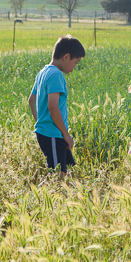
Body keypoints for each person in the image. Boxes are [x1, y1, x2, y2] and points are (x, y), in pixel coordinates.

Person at [28, 34, 85, 178]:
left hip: (49, 132)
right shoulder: (56, 75)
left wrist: (40, 123)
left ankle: (63, 199)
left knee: (68, 172)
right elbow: (53, 107)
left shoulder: (43, 72)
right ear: (66, 57)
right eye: (76, 62)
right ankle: (43, 198)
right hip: (54, 134)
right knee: (57, 175)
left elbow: (31, 100)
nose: (75, 67)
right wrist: (65, 133)